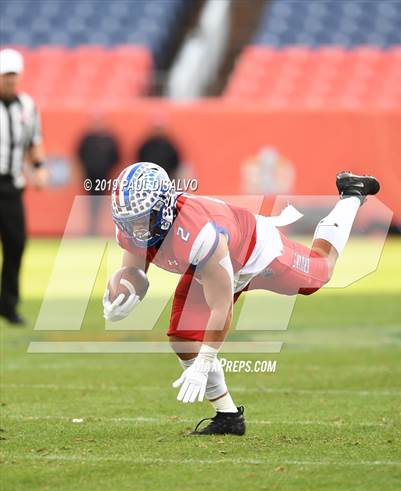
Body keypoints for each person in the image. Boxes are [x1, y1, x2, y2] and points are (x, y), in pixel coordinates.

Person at [103, 162, 380, 435]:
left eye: (144, 219)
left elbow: (221, 306)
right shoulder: (134, 231)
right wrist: (122, 296)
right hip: (207, 268)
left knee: (320, 271)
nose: (137, 229)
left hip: (254, 254)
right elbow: (134, 271)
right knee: (184, 337)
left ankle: (351, 194)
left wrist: (205, 361)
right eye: (130, 222)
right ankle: (228, 417)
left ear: (163, 208)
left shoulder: (200, 234)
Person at [0, 48, 48, 325]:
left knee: (16, 244)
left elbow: (34, 140)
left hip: (11, 185)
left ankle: (8, 304)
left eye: (13, 76)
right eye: (6, 76)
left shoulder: (27, 105)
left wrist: (39, 167)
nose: (10, 82)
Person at [77, 115, 120, 235]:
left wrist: (108, 170)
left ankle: (97, 228)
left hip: (103, 176)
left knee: (101, 201)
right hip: (90, 176)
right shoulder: (87, 139)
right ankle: (91, 228)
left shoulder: (109, 139)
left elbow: (116, 157)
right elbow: (79, 156)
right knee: (91, 201)